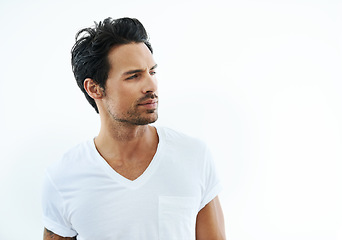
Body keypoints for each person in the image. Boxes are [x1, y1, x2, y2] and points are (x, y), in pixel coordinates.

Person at [42, 17, 225, 240]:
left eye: (152, 72)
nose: (151, 86)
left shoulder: (194, 156)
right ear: (94, 88)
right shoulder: (63, 177)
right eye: (134, 76)